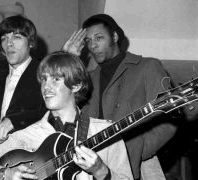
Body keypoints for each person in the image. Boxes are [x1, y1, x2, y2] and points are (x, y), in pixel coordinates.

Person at [0, 51, 133, 180]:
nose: (46, 87)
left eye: (55, 79)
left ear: (76, 85)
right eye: (44, 80)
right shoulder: (27, 134)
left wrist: (100, 171)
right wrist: (6, 175)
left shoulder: (106, 131)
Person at [63, 14, 177, 180]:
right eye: (88, 41)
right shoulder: (88, 79)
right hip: (91, 169)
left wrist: (136, 151)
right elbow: (62, 103)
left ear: (114, 37)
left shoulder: (147, 67)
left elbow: (169, 118)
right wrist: (68, 58)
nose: (93, 45)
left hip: (139, 168)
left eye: (99, 38)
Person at [0, 15, 47, 151]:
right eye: (4, 39)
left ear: (31, 42)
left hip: (28, 158)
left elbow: (52, 114)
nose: (9, 44)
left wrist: (13, 121)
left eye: (16, 37)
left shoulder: (44, 75)